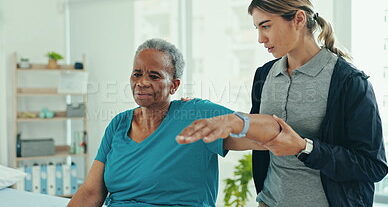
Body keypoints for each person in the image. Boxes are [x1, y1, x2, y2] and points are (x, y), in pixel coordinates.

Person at [177, 0, 388, 206]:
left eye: (266, 26)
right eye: (257, 28)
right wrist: (201, 111)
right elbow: (262, 132)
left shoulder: (348, 81)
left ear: (298, 19)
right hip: (269, 201)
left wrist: (304, 147)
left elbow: (372, 165)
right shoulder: (265, 74)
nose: (260, 38)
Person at [67, 38, 279, 207]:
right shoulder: (119, 124)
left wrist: (236, 122)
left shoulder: (196, 113)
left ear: (174, 85)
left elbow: (263, 137)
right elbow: (91, 192)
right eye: (137, 74)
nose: (142, 82)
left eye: (154, 76)